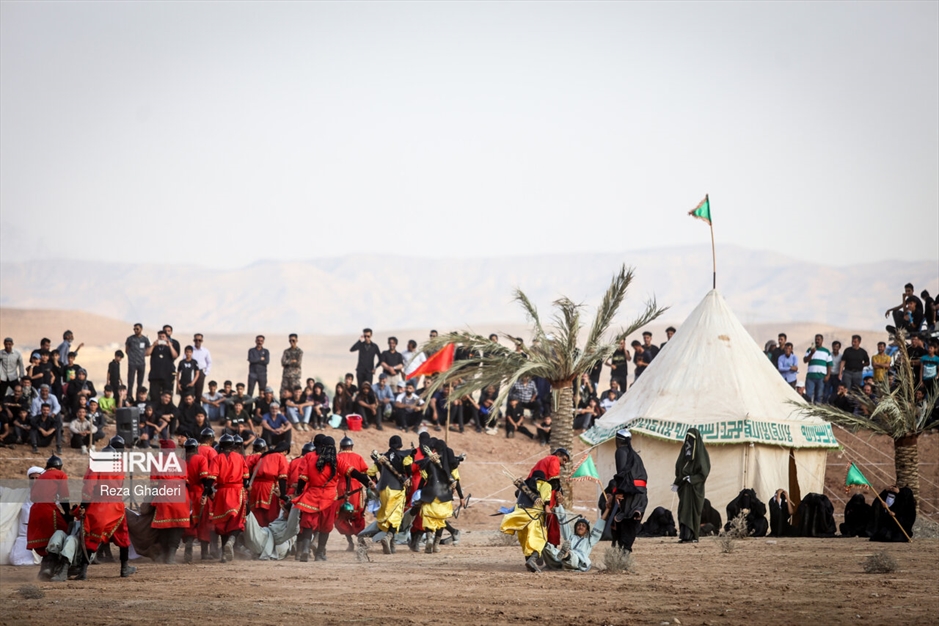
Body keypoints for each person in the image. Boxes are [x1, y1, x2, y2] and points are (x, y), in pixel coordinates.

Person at [77, 435, 136, 579]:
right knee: (123, 537)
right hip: (117, 505)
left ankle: (83, 571)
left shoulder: (96, 464)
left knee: (93, 538)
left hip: (99, 505)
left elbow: (88, 487)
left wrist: (84, 505)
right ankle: (124, 568)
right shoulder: (120, 463)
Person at [359, 435, 412, 551]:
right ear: (400, 445)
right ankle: (388, 537)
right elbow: (409, 471)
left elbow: (370, 471)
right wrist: (409, 478)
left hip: (383, 489)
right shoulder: (404, 456)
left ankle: (391, 546)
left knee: (387, 516)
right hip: (397, 489)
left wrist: (377, 483)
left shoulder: (382, 458)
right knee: (396, 515)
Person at [293, 436, 339, 562]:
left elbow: (301, 476)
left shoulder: (309, 457)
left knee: (306, 523)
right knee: (325, 524)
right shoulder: (334, 460)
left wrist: (297, 492)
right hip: (327, 496)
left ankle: (302, 551)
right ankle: (319, 552)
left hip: (309, 494)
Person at [205, 434, 249, 562]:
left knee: (223, 523)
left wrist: (205, 493)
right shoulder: (240, 458)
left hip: (221, 493)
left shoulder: (217, 459)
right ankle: (231, 541)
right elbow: (246, 479)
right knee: (236, 521)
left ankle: (224, 554)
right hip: (237, 492)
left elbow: (211, 478)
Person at [27, 454, 70, 580]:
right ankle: (53, 567)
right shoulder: (60, 475)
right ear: (59, 467)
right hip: (47, 509)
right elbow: (64, 497)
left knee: (44, 539)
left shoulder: (41, 477)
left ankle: (44, 569)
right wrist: (68, 514)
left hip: (35, 510)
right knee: (61, 532)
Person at [500, 469, 552, 572]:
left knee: (525, 541)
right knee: (540, 540)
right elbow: (546, 499)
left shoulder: (523, 487)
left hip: (520, 515)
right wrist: (547, 508)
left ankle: (530, 566)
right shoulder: (545, 485)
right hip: (534, 516)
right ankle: (532, 560)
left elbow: (517, 499)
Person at [605, 429, 648, 552]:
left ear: (618, 440)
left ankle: (623, 553)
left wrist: (618, 492)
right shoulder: (635, 455)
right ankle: (625, 552)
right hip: (641, 494)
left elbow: (622, 474)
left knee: (624, 522)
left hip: (630, 492)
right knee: (630, 522)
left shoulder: (621, 451)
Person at [150, 439, 191, 563]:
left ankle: (164, 553)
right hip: (181, 492)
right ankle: (171, 555)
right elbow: (186, 480)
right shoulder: (181, 462)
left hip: (164, 492)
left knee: (164, 525)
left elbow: (153, 482)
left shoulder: (156, 460)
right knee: (178, 525)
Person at [543, 498, 612, 572]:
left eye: (583, 526)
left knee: (573, 556)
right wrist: (559, 505)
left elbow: (599, 526)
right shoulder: (570, 537)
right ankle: (561, 554)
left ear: (587, 530)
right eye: (579, 525)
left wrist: (607, 509)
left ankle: (566, 555)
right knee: (549, 548)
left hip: (578, 561)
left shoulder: (589, 540)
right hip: (561, 561)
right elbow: (564, 522)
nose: (580, 527)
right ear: (575, 528)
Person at [335, 436, 373, 551]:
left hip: (341, 489)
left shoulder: (337, 457)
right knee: (357, 515)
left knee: (341, 515)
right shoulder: (358, 457)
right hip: (356, 488)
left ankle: (350, 542)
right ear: (351, 446)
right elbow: (364, 473)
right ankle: (360, 540)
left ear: (341, 447)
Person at [674, 427, 710, 543]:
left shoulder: (701, 454)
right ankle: (684, 535)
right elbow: (679, 468)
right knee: (683, 511)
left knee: (692, 511)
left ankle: (692, 536)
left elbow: (703, 472)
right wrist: (677, 482)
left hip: (695, 489)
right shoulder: (684, 452)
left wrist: (692, 478)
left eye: (692, 439)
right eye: (687, 438)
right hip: (684, 489)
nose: (689, 441)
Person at [181, 438, 212, 562]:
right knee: (204, 522)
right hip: (199, 493)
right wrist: (208, 493)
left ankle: (188, 546)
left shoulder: (181, 461)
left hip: (185, 495)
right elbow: (204, 478)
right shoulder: (201, 459)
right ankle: (204, 553)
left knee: (189, 522)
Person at [248, 440, 290, 528]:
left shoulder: (264, 455)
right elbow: (283, 477)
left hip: (255, 487)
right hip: (268, 487)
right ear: (285, 451)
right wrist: (282, 494)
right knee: (270, 513)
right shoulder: (280, 457)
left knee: (256, 513)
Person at [146, 329, 178, 401]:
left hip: (167, 376)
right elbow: (147, 353)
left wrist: (170, 345)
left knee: (167, 395)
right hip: (155, 376)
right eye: (160, 336)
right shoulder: (154, 347)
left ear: (166, 338)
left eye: (163, 337)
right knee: (154, 395)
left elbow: (175, 356)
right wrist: (153, 345)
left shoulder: (169, 347)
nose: (161, 338)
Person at [803, 334, 832, 404]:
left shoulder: (826, 351)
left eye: (818, 339)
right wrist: (811, 353)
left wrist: (828, 375)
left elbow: (830, 364)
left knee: (819, 396)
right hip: (811, 377)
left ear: (822, 341)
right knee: (808, 395)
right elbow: (805, 360)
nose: (817, 341)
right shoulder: (810, 350)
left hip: (821, 377)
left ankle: (816, 412)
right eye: (816, 339)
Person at [124, 324, 150, 395]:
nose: (135, 330)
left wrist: (142, 355)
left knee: (140, 382)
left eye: (137, 329)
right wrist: (132, 356)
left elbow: (148, 350)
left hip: (141, 363)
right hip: (132, 363)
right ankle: (129, 397)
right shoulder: (130, 339)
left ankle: (139, 396)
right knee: (130, 382)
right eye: (134, 329)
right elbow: (126, 350)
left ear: (141, 329)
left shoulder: (145, 339)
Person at [189, 333, 211, 404]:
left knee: (198, 393)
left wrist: (205, 373)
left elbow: (209, 362)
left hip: (201, 372)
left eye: (199, 340)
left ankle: (197, 410)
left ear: (202, 341)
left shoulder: (205, 351)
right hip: (190, 372)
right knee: (190, 392)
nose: (197, 342)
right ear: (193, 340)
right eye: (196, 340)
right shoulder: (190, 350)